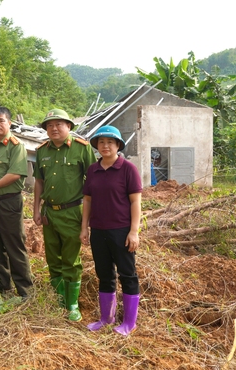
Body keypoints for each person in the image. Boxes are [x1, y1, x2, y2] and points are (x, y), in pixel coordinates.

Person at [33, 109, 96, 321]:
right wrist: (35, 210)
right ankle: (58, 299)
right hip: (49, 212)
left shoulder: (81, 149)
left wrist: (89, 218)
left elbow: (93, 182)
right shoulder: (42, 150)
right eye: (49, 125)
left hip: (72, 212)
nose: (54, 128)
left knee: (71, 259)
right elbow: (39, 182)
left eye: (59, 124)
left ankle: (72, 304)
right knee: (52, 257)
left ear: (69, 126)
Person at [80, 125, 141, 335]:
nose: (105, 146)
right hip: (98, 230)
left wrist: (134, 231)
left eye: (110, 142)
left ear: (118, 145)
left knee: (127, 275)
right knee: (104, 274)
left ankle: (129, 323)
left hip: (121, 231)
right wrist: (84, 228)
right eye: (101, 142)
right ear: (96, 146)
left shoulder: (127, 169)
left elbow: (135, 202)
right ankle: (106, 318)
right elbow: (87, 200)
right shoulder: (93, 170)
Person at [0, 106, 33, 299]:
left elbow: (15, 174)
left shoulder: (16, 146)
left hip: (9, 201)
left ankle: (24, 289)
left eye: (1, 120)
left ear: (9, 123)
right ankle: (4, 282)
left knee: (14, 244)